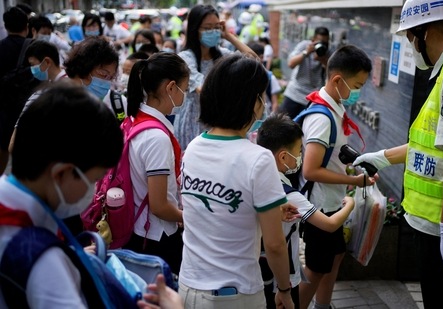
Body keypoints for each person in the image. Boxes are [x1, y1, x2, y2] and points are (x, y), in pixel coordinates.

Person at [353, 1, 443, 308]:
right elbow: (433, 146)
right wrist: (381, 156)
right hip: (438, 224)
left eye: (409, 37)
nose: (410, 44)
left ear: (425, 31)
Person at [179, 53, 294, 309]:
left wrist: (270, 210)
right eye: (261, 95)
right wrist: (284, 289)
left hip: (187, 287)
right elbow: (274, 245)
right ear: (252, 101)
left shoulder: (193, 148)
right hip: (234, 294)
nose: (264, 102)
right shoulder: (259, 159)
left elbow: (209, 211)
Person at [0, 83, 123, 307]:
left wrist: (67, 253)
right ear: (62, 174)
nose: (94, 189)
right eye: (94, 179)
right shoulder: (45, 264)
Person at [297, 45, 374, 309]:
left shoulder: (332, 106)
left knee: (336, 255)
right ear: (337, 80)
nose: (358, 92)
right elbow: (310, 170)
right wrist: (354, 182)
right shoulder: (322, 118)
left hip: (331, 200)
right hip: (320, 205)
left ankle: (323, 305)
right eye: (357, 85)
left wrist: (351, 170)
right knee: (317, 268)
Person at [256, 113, 356, 309]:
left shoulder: (255, 179)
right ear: (283, 156)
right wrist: (350, 204)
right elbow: (330, 224)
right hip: (282, 279)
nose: (301, 156)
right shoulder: (288, 195)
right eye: (299, 151)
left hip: (260, 271)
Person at [123, 52, 189, 274]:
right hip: (155, 236)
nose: (184, 95)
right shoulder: (156, 137)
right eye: (185, 89)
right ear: (171, 88)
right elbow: (160, 206)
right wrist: (190, 219)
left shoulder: (135, 120)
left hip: (138, 227)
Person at [174, 4, 257, 150]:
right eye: (207, 28)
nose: (212, 31)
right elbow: (204, 89)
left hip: (221, 124)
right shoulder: (185, 58)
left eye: (216, 27)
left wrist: (229, 36)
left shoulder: (223, 55)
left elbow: (253, 62)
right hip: (193, 123)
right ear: (195, 30)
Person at [0, 7, 37, 175]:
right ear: (27, 26)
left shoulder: (1, 47)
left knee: (3, 146)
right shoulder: (35, 48)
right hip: (29, 106)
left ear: (6, 26)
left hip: (4, 107)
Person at [279, 27, 331, 119]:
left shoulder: (327, 52)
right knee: (282, 123)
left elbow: (332, 74)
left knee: (301, 129)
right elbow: (291, 64)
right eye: (319, 42)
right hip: (294, 93)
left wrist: (323, 60)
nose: (322, 45)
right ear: (313, 40)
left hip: (312, 98)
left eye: (325, 42)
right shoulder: (304, 46)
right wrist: (306, 52)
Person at [248, 42, 281, 113]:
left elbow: (275, 103)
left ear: (262, 57)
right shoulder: (245, 76)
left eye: (252, 57)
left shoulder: (270, 78)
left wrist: (271, 118)